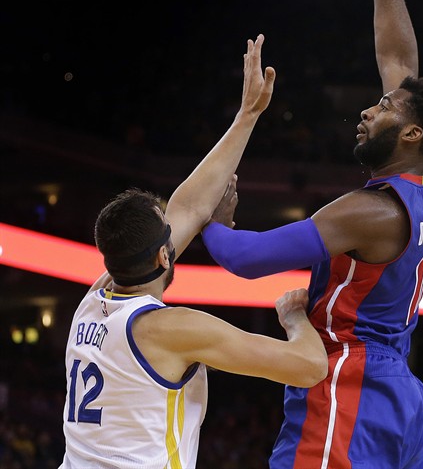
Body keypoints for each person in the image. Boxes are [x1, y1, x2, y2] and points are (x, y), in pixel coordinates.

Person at [201, 0, 423, 469]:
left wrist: (210, 213)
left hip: (349, 384)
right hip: (398, 393)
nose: (368, 111)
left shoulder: (369, 212)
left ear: (411, 132)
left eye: (382, 108)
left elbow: (247, 260)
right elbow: (398, 59)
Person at [58, 35, 328, 469]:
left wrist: (247, 116)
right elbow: (310, 366)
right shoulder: (172, 328)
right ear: (165, 256)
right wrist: (295, 317)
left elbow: (190, 207)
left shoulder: (94, 299)